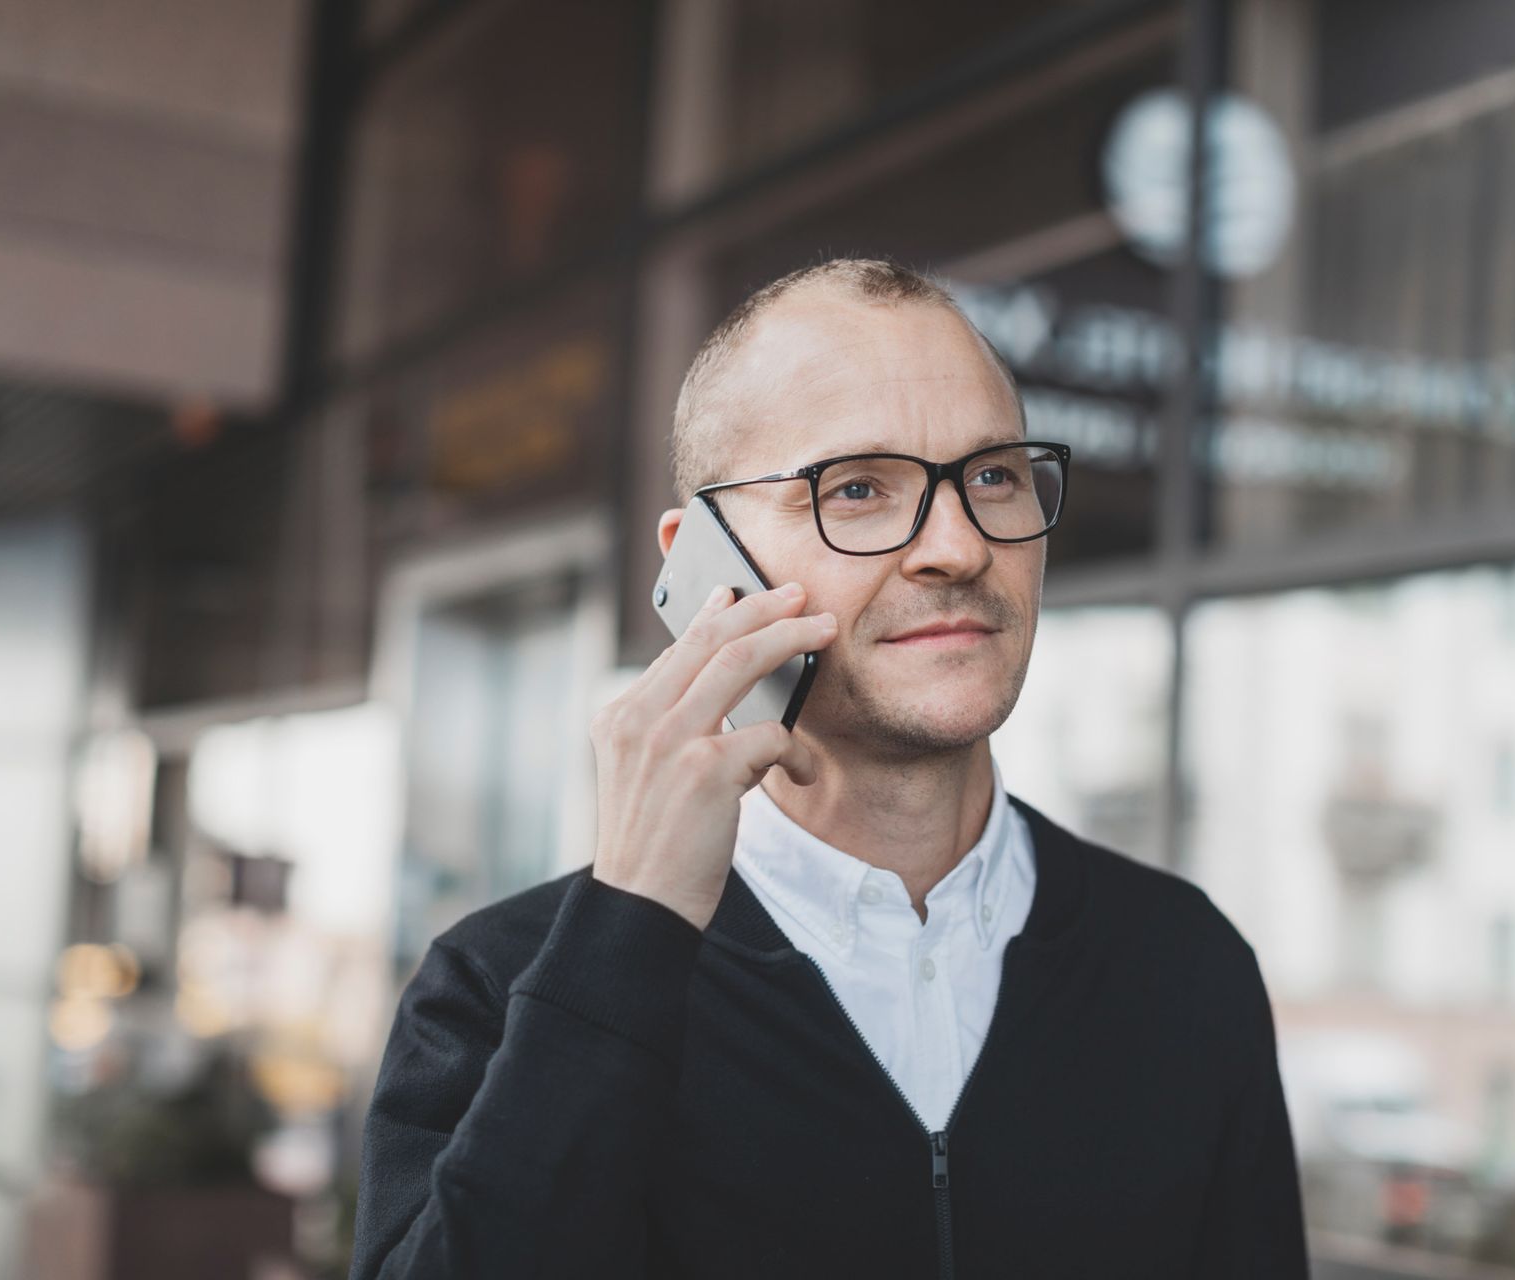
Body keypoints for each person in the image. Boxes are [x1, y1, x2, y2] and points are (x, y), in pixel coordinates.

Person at [348, 258, 1309, 1278]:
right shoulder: (503, 990)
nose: (956, 546)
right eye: (857, 488)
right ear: (700, 560)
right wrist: (625, 936)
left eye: (992, 476)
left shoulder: (1185, 965)